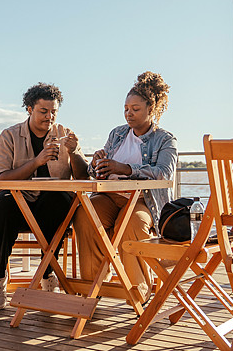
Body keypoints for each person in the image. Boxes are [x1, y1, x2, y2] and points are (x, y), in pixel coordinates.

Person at [73, 71, 177, 304]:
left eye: (135, 109)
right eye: (126, 108)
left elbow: (164, 173)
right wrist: (97, 162)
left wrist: (127, 168)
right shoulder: (117, 134)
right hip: (109, 197)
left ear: (151, 109)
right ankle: (92, 287)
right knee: (85, 215)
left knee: (132, 226)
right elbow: (96, 172)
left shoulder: (165, 140)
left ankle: (138, 292)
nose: (129, 113)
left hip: (143, 200)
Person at [0, 82, 89, 310]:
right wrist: (37, 161)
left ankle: (47, 271)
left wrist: (73, 153)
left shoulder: (64, 134)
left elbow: (83, 177)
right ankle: (0, 274)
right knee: (2, 204)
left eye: (54, 112)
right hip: (17, 207)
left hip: (50, 210)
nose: (49, 117)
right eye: (44, 111)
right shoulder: (9, 136)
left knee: (63, 200)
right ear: (30, 109)